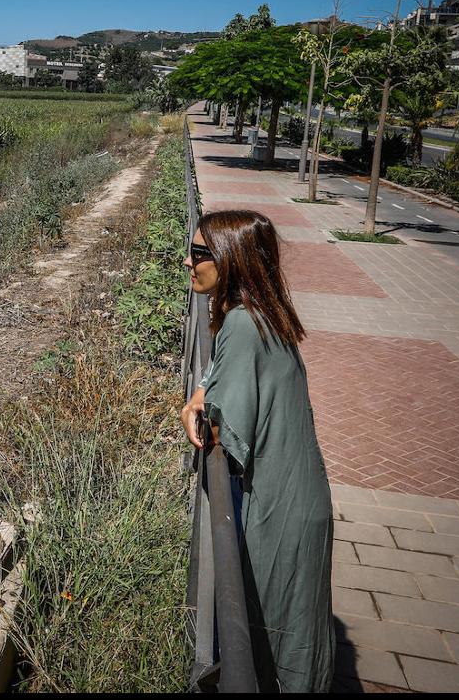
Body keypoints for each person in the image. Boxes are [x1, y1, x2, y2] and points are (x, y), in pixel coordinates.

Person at [179, 209, 334, 693]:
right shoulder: (264, 312)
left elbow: (222, 432)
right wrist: (205, 389)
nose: (188, 261)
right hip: (300, 497)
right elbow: (229, 378)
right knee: (293, 630)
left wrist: (201, 410)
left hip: (279, 507)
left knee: (271, 640)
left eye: (200, 253)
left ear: (231, 261)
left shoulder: (244, 324)